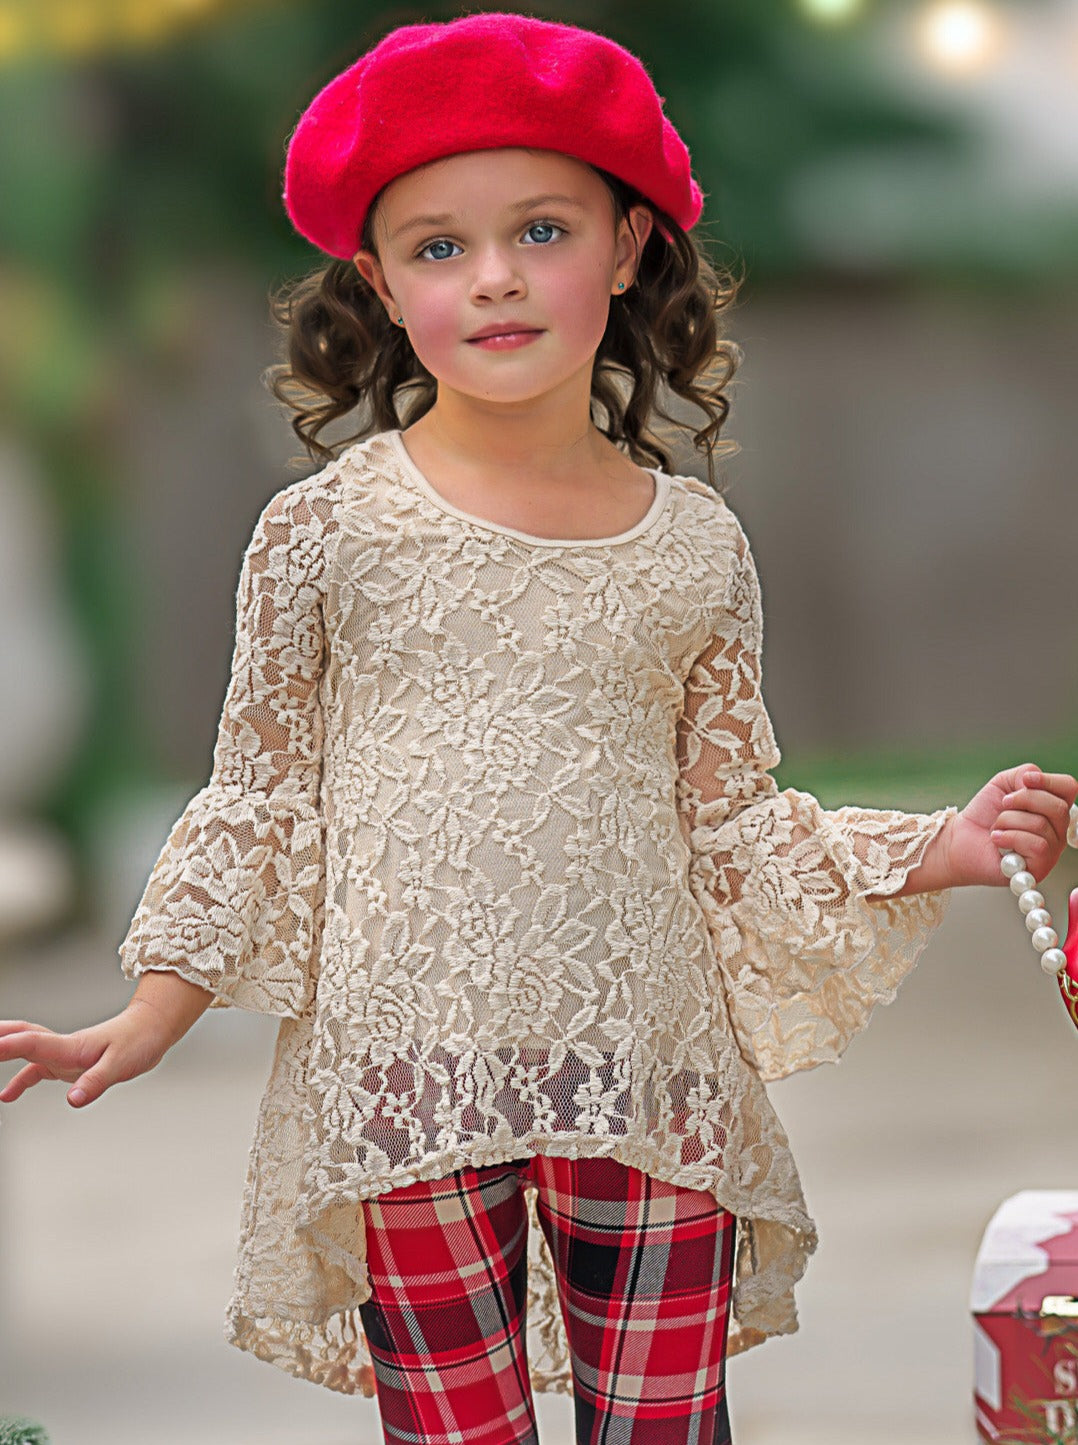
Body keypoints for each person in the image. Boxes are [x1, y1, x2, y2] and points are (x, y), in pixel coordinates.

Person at [1, 13, 1074, 1445]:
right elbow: (260, 802)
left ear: (626, 248)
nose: (494, 276)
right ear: (380, 285)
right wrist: (150, 1010)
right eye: (439, 245)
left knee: (664, 1428)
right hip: (404, 1084)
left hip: (649, 1075)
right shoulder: (322, 534)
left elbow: (732, 821)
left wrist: (938, 847)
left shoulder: (695, 547)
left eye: (542, 230)